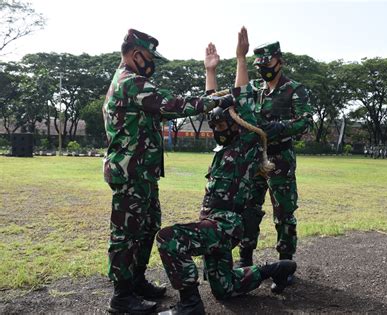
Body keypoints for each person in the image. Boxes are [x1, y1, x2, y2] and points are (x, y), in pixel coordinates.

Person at [156, 28, 296, 314]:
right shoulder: (223, 147)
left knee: (168, 239)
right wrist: (210, 70)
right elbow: (213, 102)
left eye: (222, 124)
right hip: (216, 223)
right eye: (215, 125)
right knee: (225, 288)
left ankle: (190, 305)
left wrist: (241, 58)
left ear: (235, 124)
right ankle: (274, 269)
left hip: (225, 225)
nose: (217, 127)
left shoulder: (245, 142)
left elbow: (241, 97)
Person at [102, 29, 233, 314]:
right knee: (126, 234)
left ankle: (135, 282)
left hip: (143, 173)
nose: (153, 64)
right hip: (130, 174)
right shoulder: (130, 82)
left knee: (147, 228)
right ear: (136, 55)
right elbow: (172, 105)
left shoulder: (133, 82)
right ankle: (121, 297)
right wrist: (214, 101)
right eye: (150, 58)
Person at [235, 38, 313, 290]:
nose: (263, 67)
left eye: (267, 62)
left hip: (280, 159)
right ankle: (245, 260)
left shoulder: (294, 89)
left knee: (284, 214)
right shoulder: (255, 88)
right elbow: (239, 100)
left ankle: (285, 265)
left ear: (280, 60)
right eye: (259, 63)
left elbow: (305, 121)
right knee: (248, 209)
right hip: (254, 158)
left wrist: (278, 128)